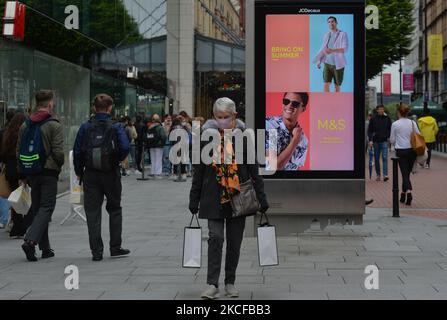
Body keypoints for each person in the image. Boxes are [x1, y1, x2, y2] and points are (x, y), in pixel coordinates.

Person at [189, 97, 269, 300]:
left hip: (238, 198)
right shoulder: (206, 137)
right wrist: (194, 198)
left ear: (234, 116)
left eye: (226, 117)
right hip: (212, 196)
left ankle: (230, 282)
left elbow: (254, 171)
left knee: (235, 242)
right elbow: (198, 171)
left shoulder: (244, 138)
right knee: (215, 238)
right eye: (218, 117)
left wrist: (262, 198)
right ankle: (212, 283)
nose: (222, 120)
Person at [73, 94, 130, 261]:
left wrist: (79, 171)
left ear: (94, 108)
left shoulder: (85, 127)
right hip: (111, 172)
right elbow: (125, 146)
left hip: (90, 173)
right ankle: (115, 247)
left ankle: (96, 251)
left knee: (92, 212)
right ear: (110, 108)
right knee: (115, 209)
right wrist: (117, 159)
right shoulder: (116, 126)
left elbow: (77, 151)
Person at [17, 90, 64, 261]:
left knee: (38, 209)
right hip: (49, 172)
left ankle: (46, 249)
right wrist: (57, 166)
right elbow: (58, 152)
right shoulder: (54, 124)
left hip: (32, 172)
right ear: (50, 103)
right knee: (46, 208)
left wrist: (22, 173)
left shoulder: (25, 125)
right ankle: (30, 241)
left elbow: (18, 150)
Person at [0, 113, 32, 237]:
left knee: (16, 200)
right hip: (22, 170)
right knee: (30, 199)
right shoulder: (25, 134)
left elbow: (2, 154)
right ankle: (24, 225)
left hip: (10, 171)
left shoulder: (6, 135)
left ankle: (16, 228)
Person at [265, 92, 309, 171]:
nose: (289, 106)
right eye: (286, 101)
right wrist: (295, 141)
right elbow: (273, 168)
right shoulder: (269, 127)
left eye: (295, 104)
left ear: (303, 108)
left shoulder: (303, 140)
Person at [390, 103, 419, 206]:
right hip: (412, 151)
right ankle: (403, 194)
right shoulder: (412, 123)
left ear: (398, 112)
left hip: (401, 151)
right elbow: (418, 135)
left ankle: (409, 192)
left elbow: (392, 140)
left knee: (404, 173)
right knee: (406, 174)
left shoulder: (395, 124)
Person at [313, 16, 349, 92]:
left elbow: (345, 49)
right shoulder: (327, 35)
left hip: (338, 65)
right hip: (327, 64)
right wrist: (318, 61)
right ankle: (327, 102)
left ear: (336, 23)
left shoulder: (342, 34)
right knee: (326, 85)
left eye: (332, 21)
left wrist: (332, 50)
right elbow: (323, 49)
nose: (331, 23)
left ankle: (336, 102)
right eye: (329, 22)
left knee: (337, 86)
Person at [367, 105, 392, 181]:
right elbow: (369, 131)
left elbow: (390, 129)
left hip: (384, 140)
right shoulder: (373, 119)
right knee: (376, 158)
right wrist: (370, 140)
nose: (381, 110)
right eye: (380, 109)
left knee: (384, 157)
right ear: (377, 110)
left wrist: (387, 136)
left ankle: (385, 175)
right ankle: (378, 174)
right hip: (375, 141)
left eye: (382, 109)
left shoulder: (387, 118)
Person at [146, 114, 166, 178]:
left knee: (153, 159)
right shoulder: (160, 127)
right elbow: (163, 136)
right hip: (158, 145)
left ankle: (153, 172)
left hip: (151, 145)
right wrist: (163, 143)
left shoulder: (150, 127)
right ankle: (157, 173)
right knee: (158, 159)